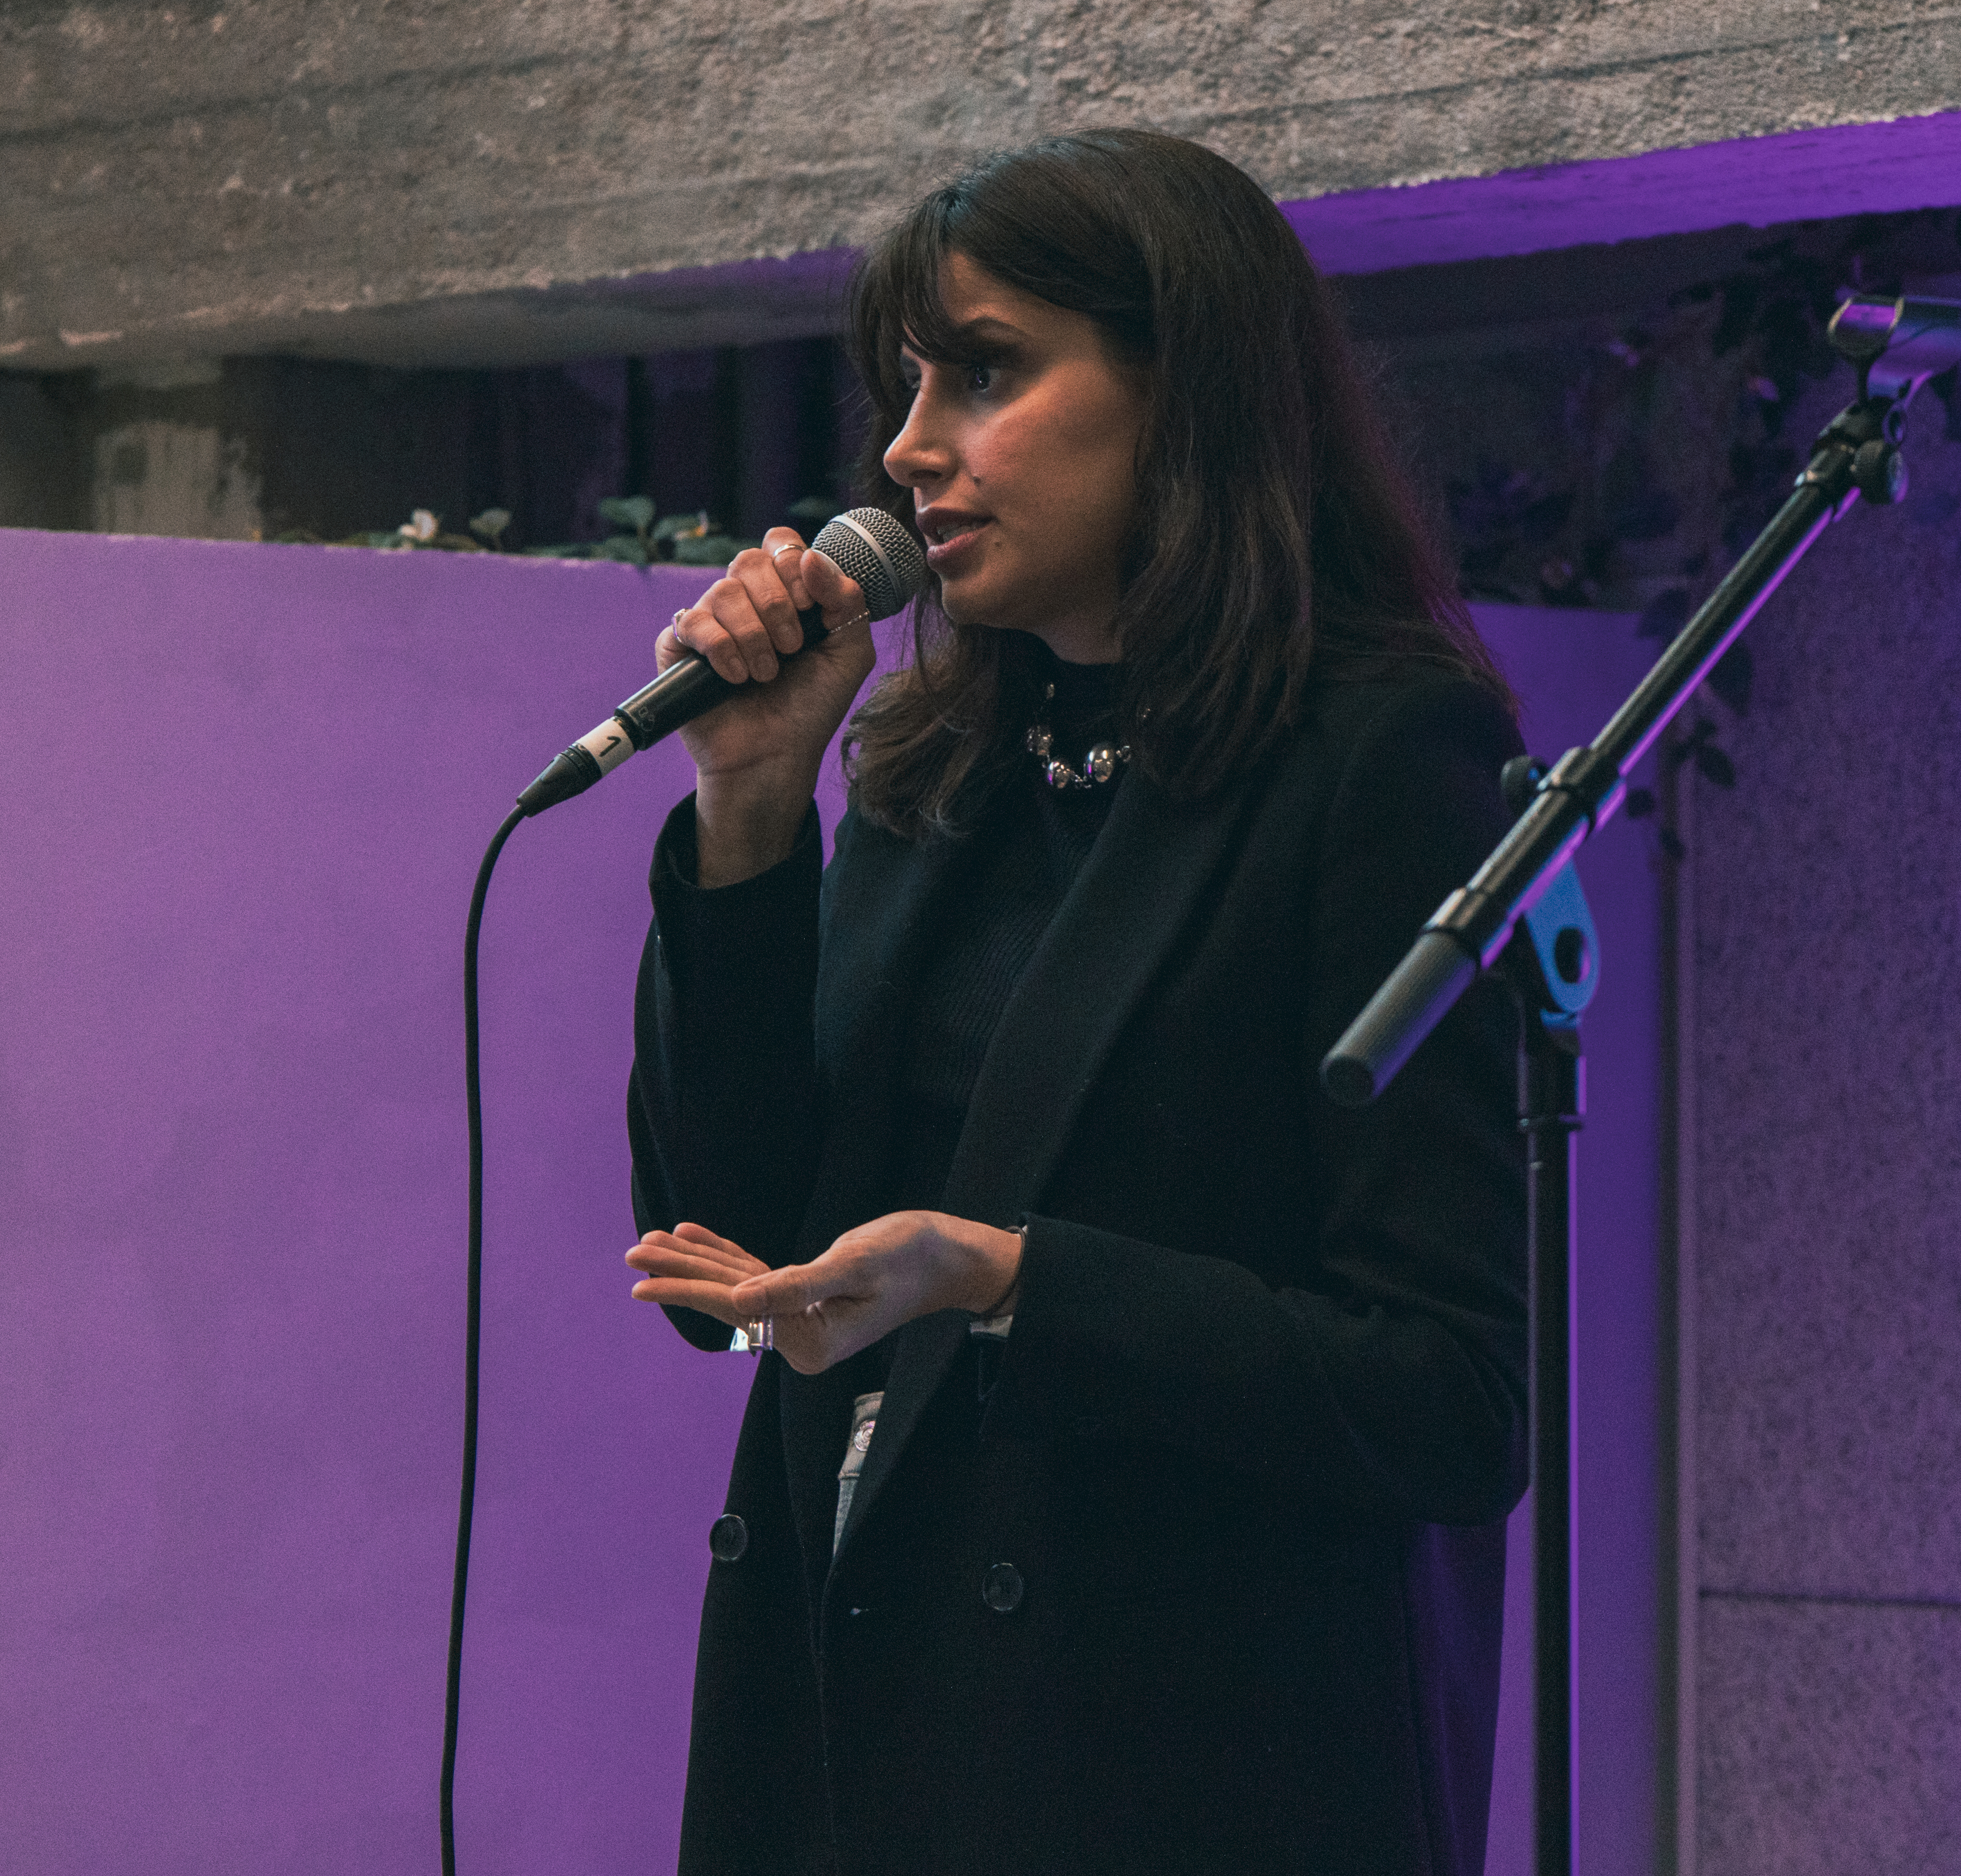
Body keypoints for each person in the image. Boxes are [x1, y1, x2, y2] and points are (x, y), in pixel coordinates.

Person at [621, 128, 1529, 1876]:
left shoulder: (1383, 757)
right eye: (910, 384)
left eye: (986, 371)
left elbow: (1448, 1389)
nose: (908, 446)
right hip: (850, 1742)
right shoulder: (937, 761)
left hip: (1177, 1768)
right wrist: (747, 812)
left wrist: (1012, 1279)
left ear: (1184, 393)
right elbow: (721, 1255)